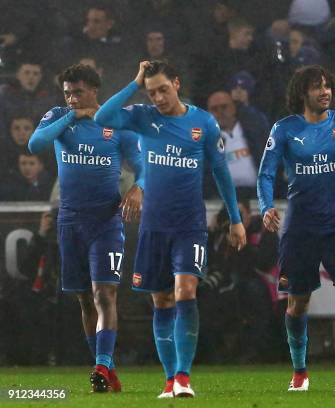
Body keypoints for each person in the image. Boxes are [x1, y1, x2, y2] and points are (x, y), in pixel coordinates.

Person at [94, 60, 246, 398]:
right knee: (161, 301)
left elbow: (221, 171)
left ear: (176, 83)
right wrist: (134, 84)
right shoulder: (143, 117)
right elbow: (103, 117)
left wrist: (235, 219)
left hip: (189, 224)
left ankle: (183, 376)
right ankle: (168, 380)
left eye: (164, 89)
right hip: (153, 227)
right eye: (152, 93)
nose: (159, 98)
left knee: (185, 292)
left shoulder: (202, 123)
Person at [257, 64, 335, 392]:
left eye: (327, 86)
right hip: (299, 229)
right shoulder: (284, 129)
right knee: (298, 303)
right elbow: (266, 173)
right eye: (316, 87)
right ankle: (299, 371)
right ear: (302, 92)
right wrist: (267, 206)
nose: (324, 91)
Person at [28, 64, 144, 392]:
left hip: (106, 221)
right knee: (83, 300)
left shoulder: (115, 125)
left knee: (103, 293)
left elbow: (143, 165)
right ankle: (105, 369)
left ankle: (103, 367)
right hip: (69, 221)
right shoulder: (57, 118)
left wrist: (138, 187)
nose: (72, 98)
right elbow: (35, 145)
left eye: (78, 92)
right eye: (67, 92)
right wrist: (70, 116)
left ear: (94, 91)